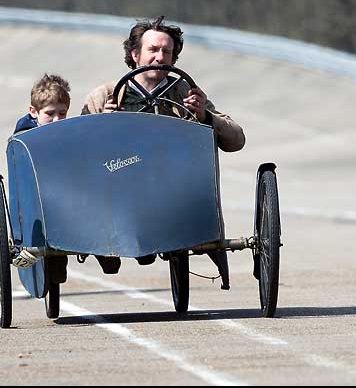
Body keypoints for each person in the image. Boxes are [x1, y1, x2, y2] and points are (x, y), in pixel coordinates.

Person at [80, 16, 244, 286]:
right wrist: (100, 125)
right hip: (119, 187)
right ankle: (108, 246)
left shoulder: (186, 93)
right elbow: (77, 151)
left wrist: (204, 116)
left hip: (172, 190)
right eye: (153, 50)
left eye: (166, 52)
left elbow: (236, 139)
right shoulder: (106, 95)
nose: (159, 57)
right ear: (135, 54)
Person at [10, 74, 72, 280]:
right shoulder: (23, 135)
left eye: (62, 113)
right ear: (33, 112)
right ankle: (53, 263)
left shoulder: (69, 132)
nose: (56, 120)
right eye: (50, 114)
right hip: (36, 201)